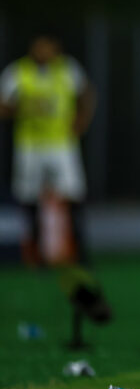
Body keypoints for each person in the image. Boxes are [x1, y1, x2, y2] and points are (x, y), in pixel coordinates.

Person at [0, 32, 95, 266]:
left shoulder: (67, 69)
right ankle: (34, 252)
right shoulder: (18, 72)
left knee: (73, 194)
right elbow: (4, 105)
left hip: (61, 142)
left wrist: (82, 120)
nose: (44, 52)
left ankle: (79, 250)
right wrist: (19, 108)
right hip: (30, 144)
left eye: (48, 47)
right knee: (29, 196)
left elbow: (87, 93)